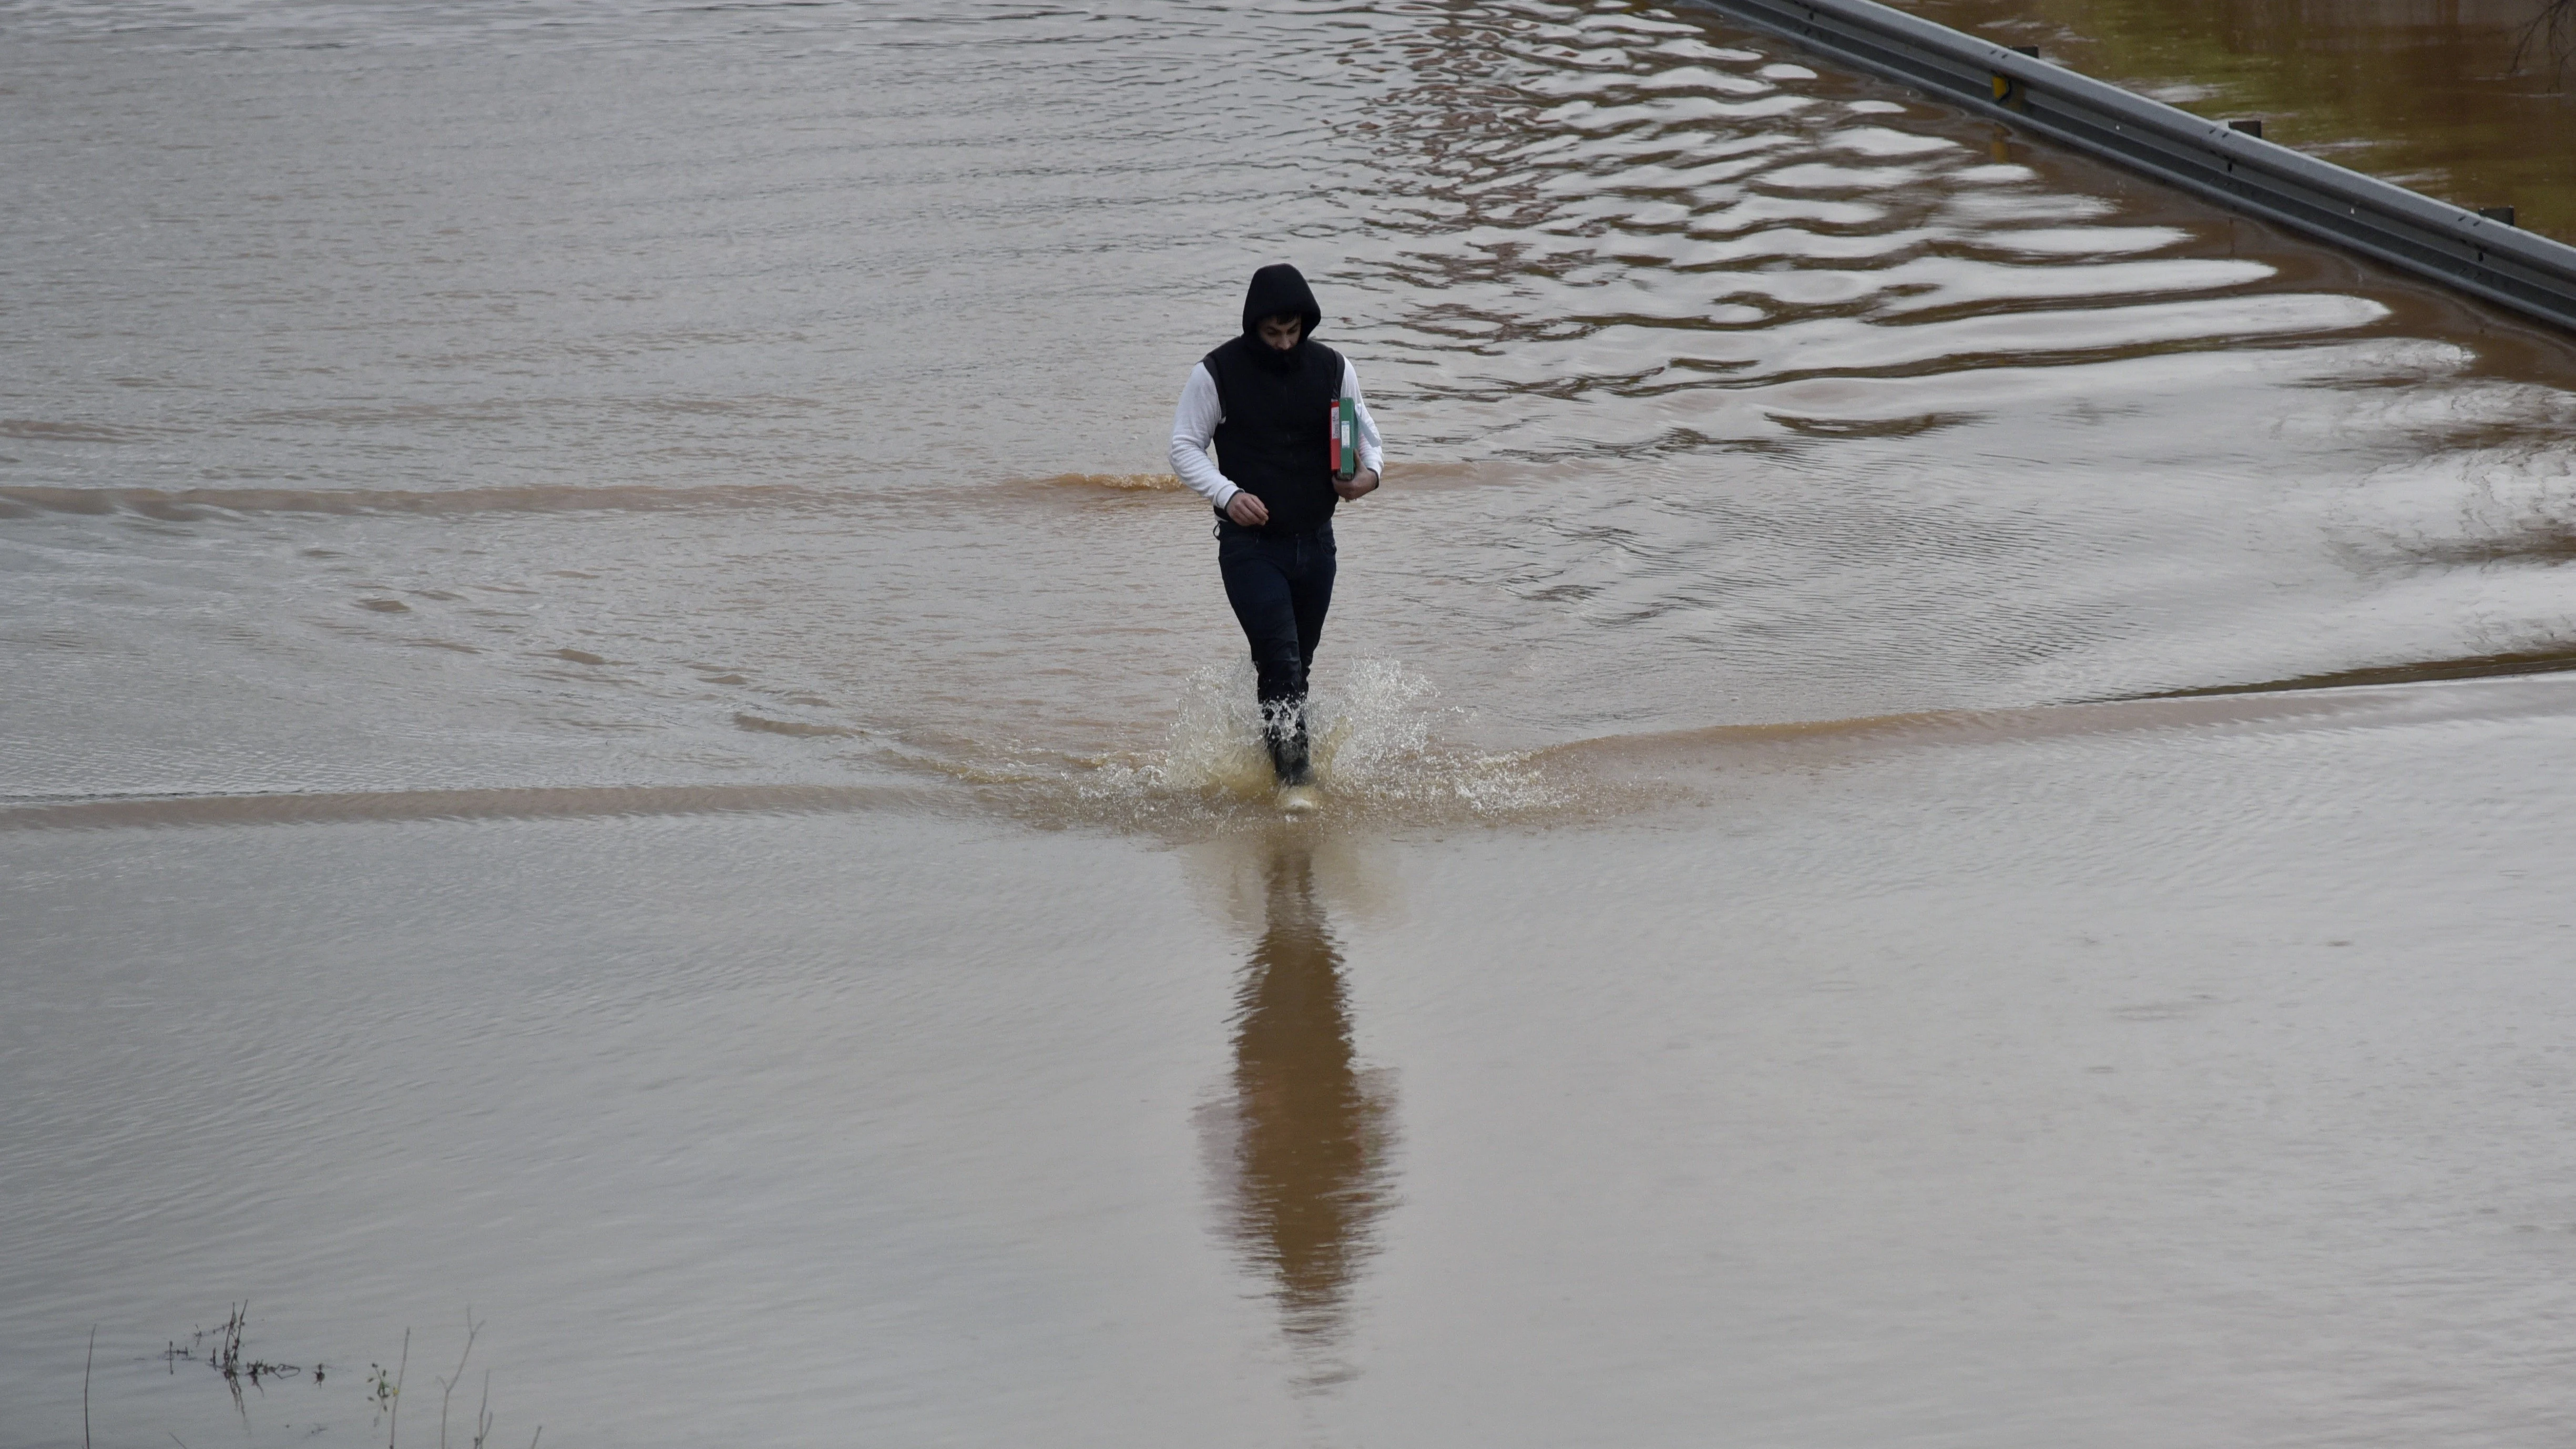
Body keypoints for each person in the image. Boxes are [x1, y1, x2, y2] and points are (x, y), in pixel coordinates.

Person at [1169, 263, 1384, 792]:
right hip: (1250, 548)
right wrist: (1228, 494)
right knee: (1282, 664)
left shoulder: (1334, 367)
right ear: (1253, 328)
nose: (1284, 344)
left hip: (1317, 543)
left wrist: (1369, 477)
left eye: (1293, 332)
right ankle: (1296, 783)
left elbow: (1369, 440)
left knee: (1295, 668)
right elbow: (1183, 447)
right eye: (1272, 334)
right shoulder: (1216, 372)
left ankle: (1272, 757)